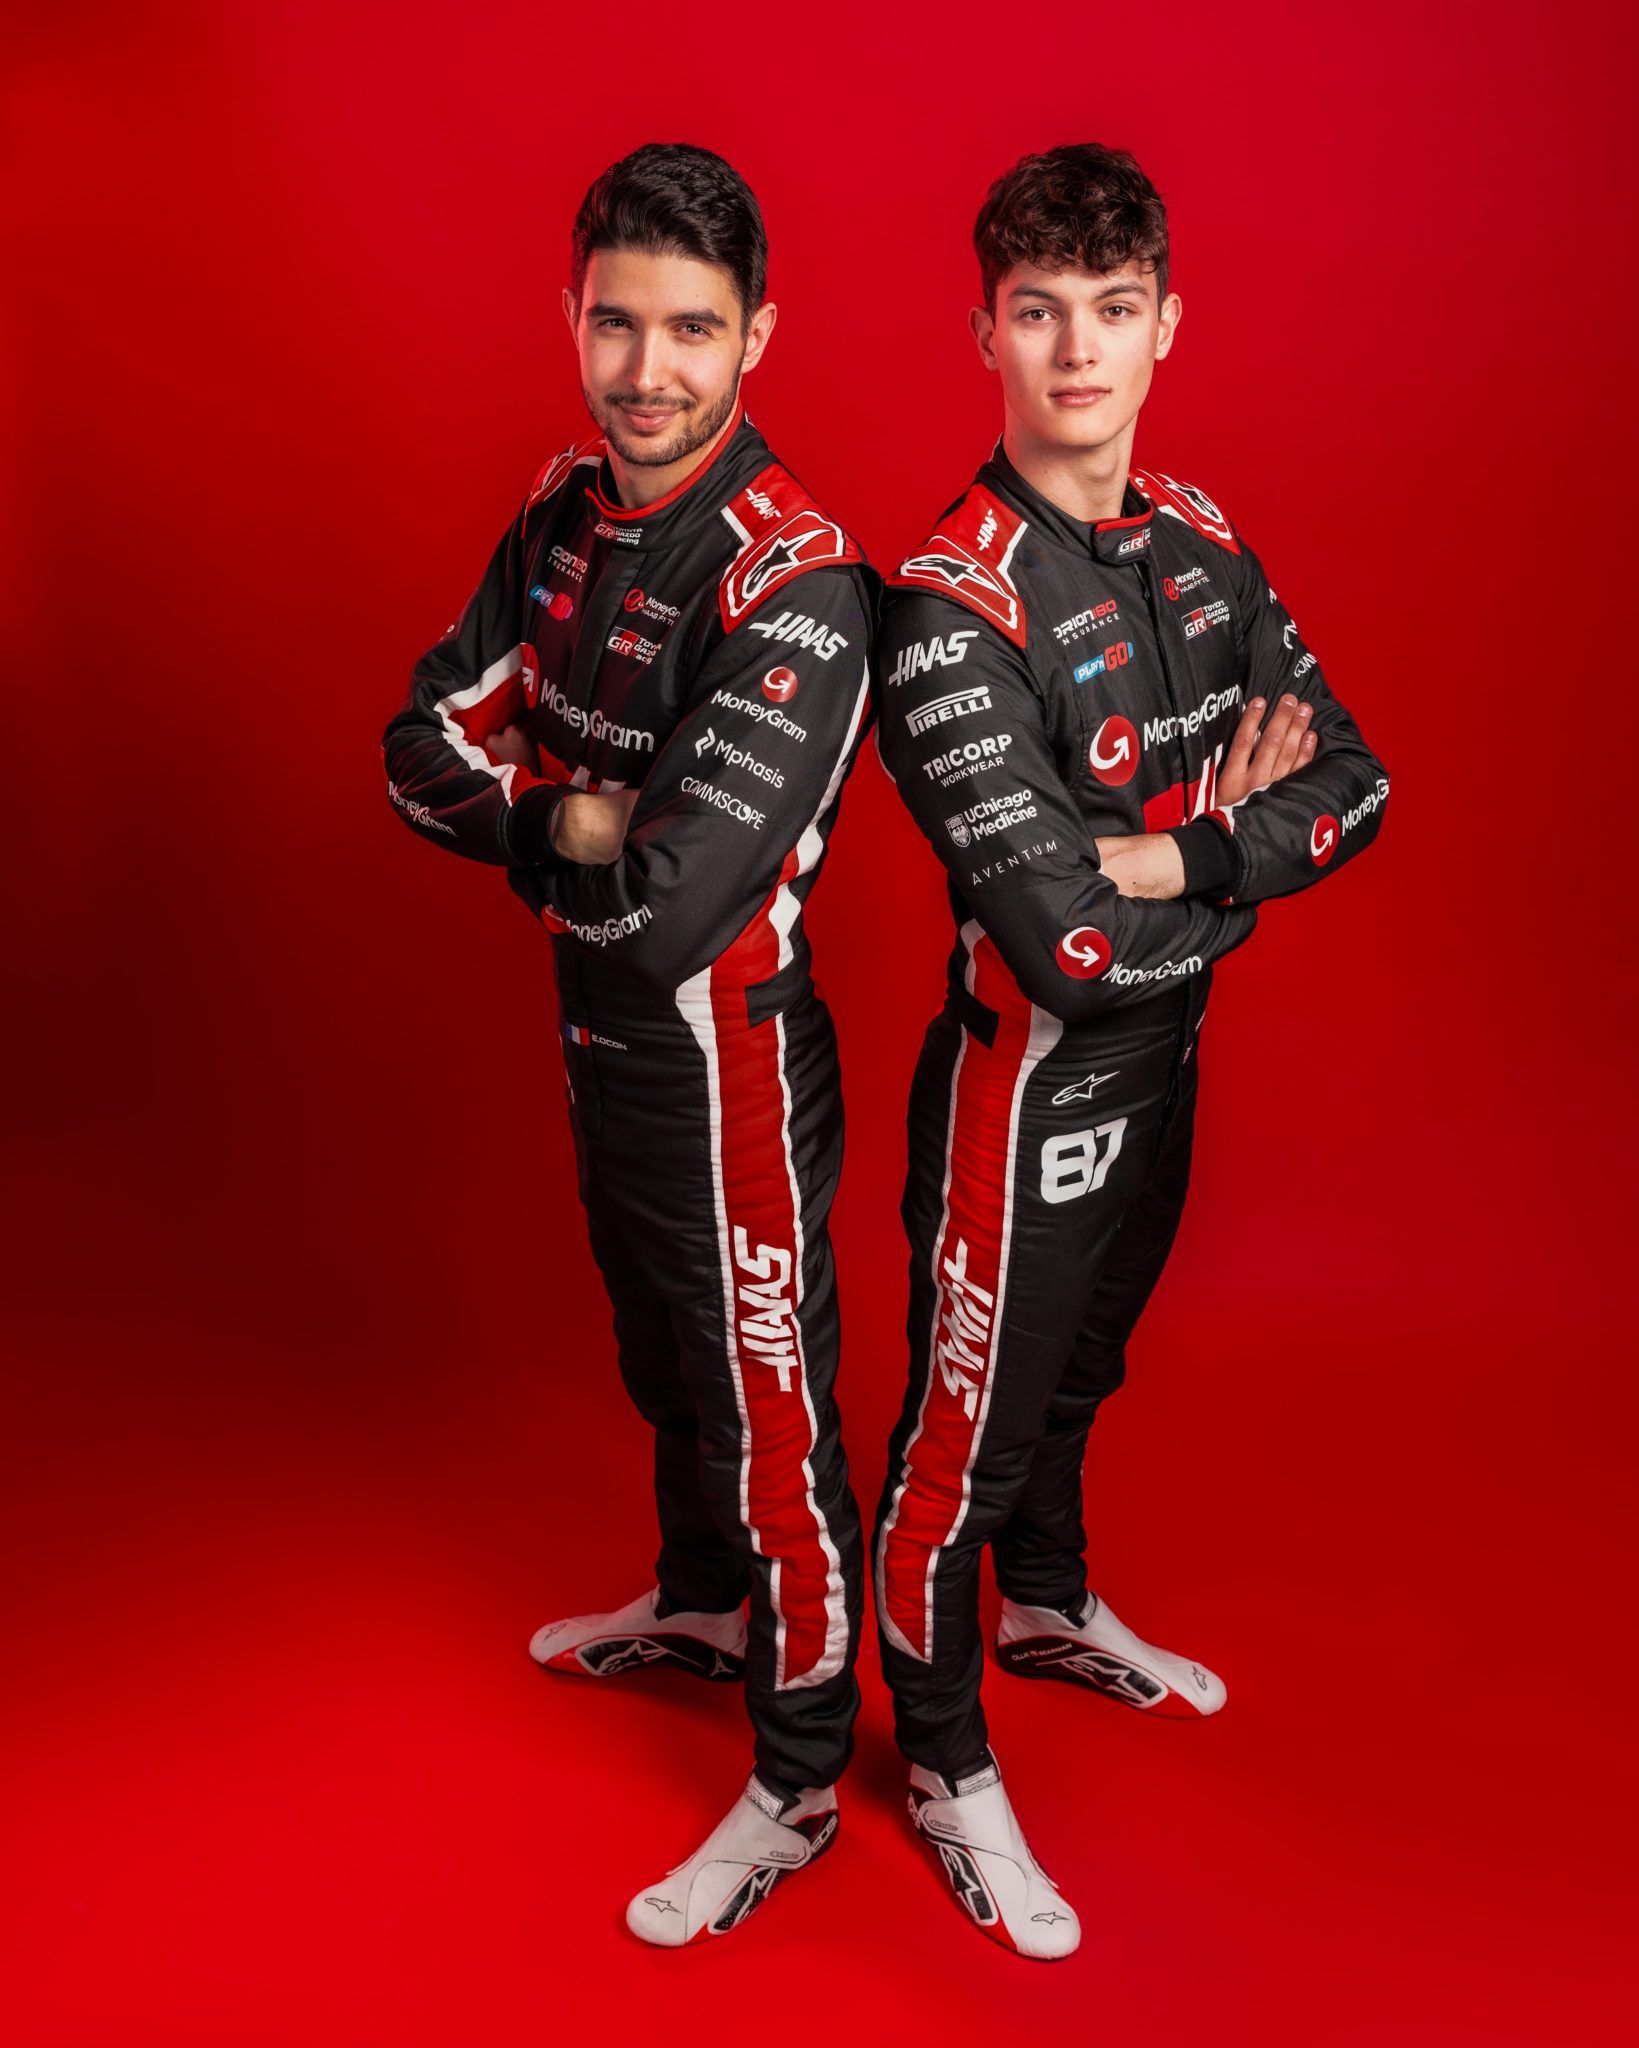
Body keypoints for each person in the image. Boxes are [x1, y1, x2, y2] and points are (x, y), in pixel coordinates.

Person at [871, 143, 1390, 1958]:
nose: (1077, 349)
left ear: (1169, 325)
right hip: (1024, 1095)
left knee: (1086, 1374)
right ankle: (943, 1759)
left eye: (1111, 309)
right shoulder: (949, 600)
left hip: (1170, 1068)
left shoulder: (1204, 538)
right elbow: (1064, 945)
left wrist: (1177, 855)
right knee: (966, 1441)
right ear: (985, 336)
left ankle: (1047, 1607)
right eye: (1038, 312)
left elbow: (1358, 782)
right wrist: (1236, 864)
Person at [380, 144, 876, 1947]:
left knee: (767, 1416)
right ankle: (702, 1603)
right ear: (572, 318)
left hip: (725, 1063)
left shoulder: (800, 579)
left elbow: (670, 908)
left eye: (691, 330)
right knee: (660, 1362)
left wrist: (573, 826)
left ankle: (799, 1779)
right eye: (616, 324)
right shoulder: (559, 512)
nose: (647, 371)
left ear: (758, 335)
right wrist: (561, 817)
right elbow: (415, 745)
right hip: (596, 1043)